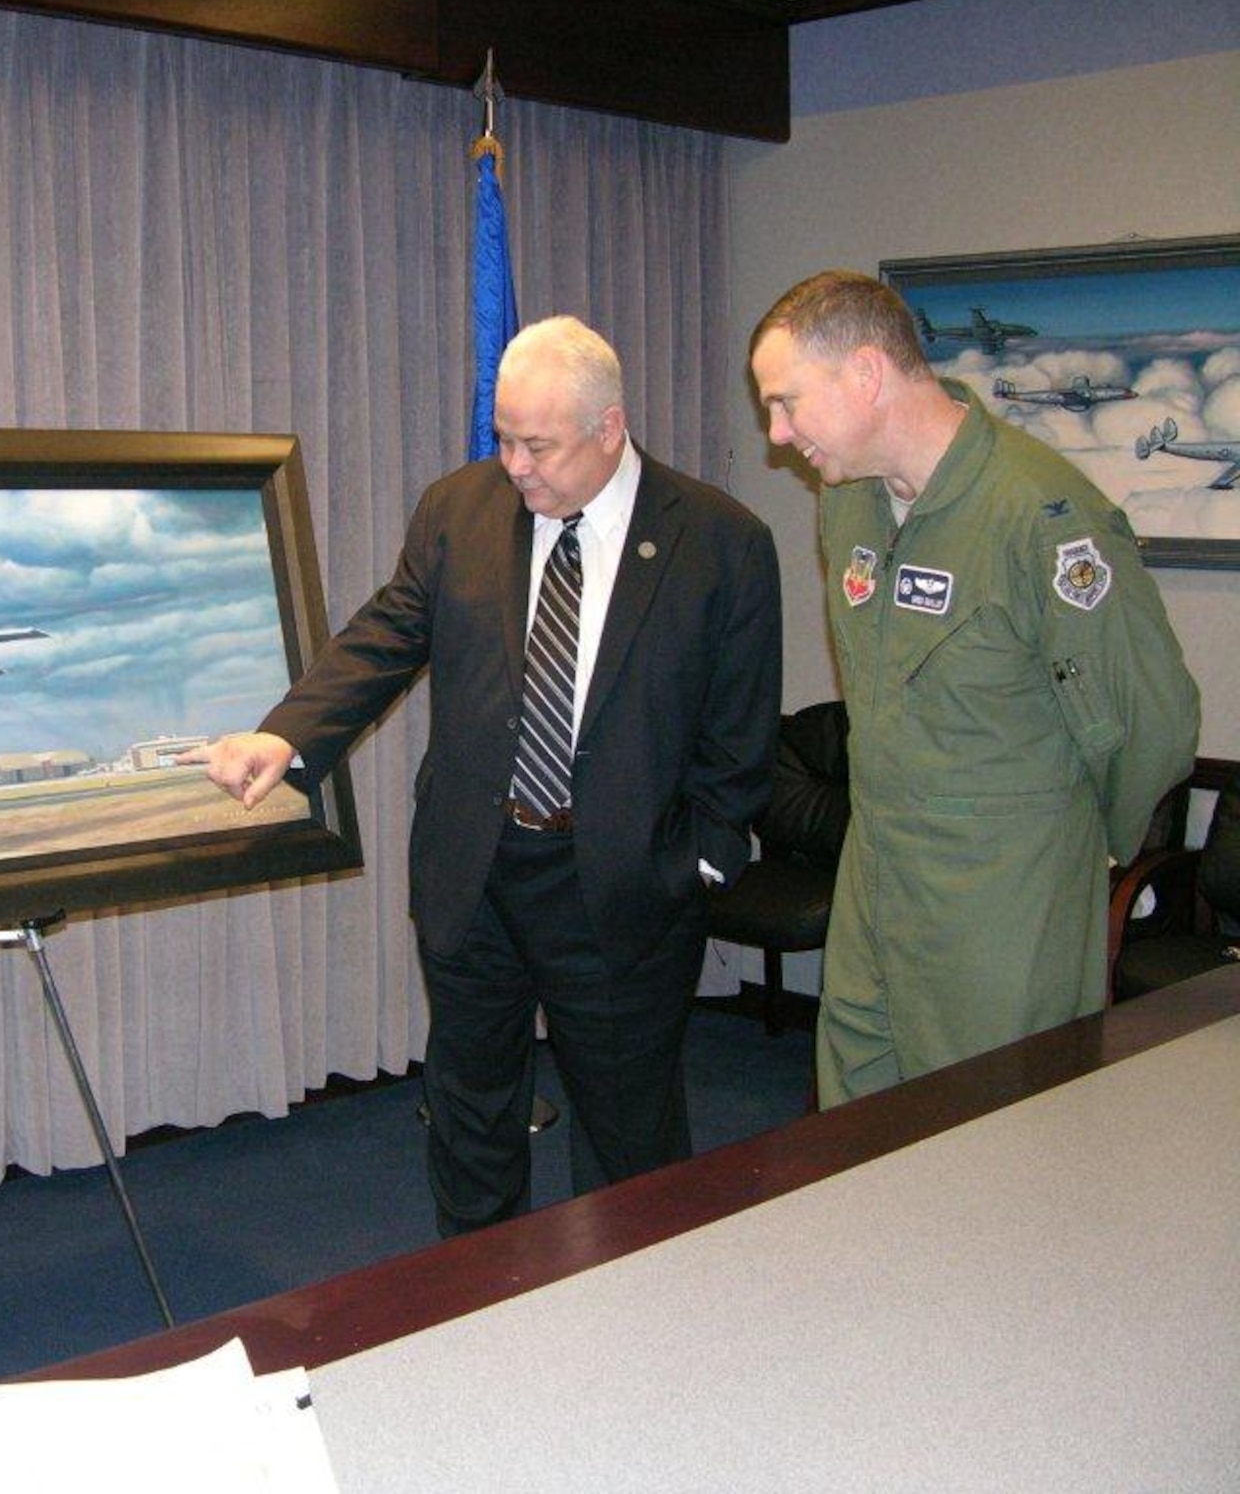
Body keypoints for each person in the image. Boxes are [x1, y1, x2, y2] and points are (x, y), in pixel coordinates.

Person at [188, 316, 782, 1234]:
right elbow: (386, 635)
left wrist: (697, 862)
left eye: (537, 445)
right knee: (470, 1116)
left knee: (632, 1134)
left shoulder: (719, 540)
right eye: (504, 438)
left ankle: (651, 1316)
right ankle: (474, 1304)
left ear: (610, 429)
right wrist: (289, 738)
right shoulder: (457, 510)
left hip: (624, 885)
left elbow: (740, 730)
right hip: (477, 871)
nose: (514, 465)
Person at [749, 270, 1200, 1108]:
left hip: (1004, 901)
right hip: (876, 877)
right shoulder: (847, 505)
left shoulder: (1042, 516)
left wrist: (1083, 847)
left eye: (787, 402)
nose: (777, 435)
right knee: (855, 1127)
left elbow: (1155, 723)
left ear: (866, 375)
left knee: (994, 1142)